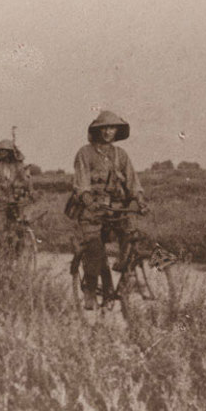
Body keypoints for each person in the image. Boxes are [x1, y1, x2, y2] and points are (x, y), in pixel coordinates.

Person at [69, 111, 146, 309]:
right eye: (104, 128)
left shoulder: (121, 155)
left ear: (117, 131)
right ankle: (90, 291)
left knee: (132, 237)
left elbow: (133, 181)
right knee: (94, 248)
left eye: (112, 128)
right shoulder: (85, 153)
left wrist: (139, 199)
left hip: (115, 210)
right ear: (97, 130)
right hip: (91, 211)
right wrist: (88, 200)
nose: (108, 132)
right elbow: (81, 184)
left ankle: (125, 280)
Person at [0, 139, 34, 257]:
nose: (1, 153)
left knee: (20, 226)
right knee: (1, 230)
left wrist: (29, 191)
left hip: (16, 200)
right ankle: (3, 254)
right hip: (1, 201)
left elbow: (26, 181)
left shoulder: (18, 165)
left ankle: (19, 252)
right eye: (0, 150)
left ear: (10, 152)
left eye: (4, 151)